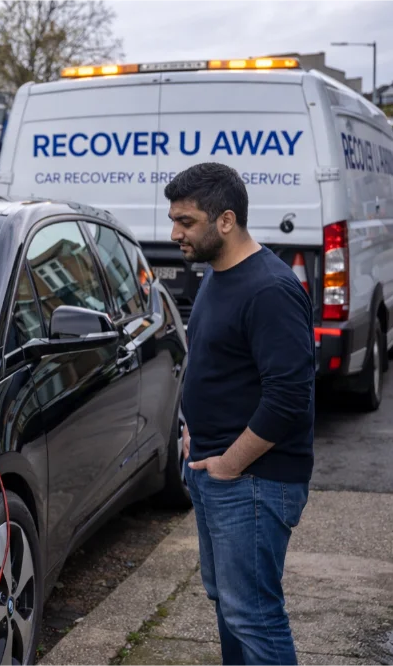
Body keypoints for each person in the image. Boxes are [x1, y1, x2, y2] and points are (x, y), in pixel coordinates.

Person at [166, 162, 314, 665]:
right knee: (232, 609)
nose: (174, 233)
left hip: (253, 481)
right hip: (216, 471)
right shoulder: (216, 275)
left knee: (254, 616)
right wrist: (194, 433)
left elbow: (289, 398)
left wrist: (230, 463)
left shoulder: (269, 288)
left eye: (186, 222)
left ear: (225, 221)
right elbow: (214, 366)